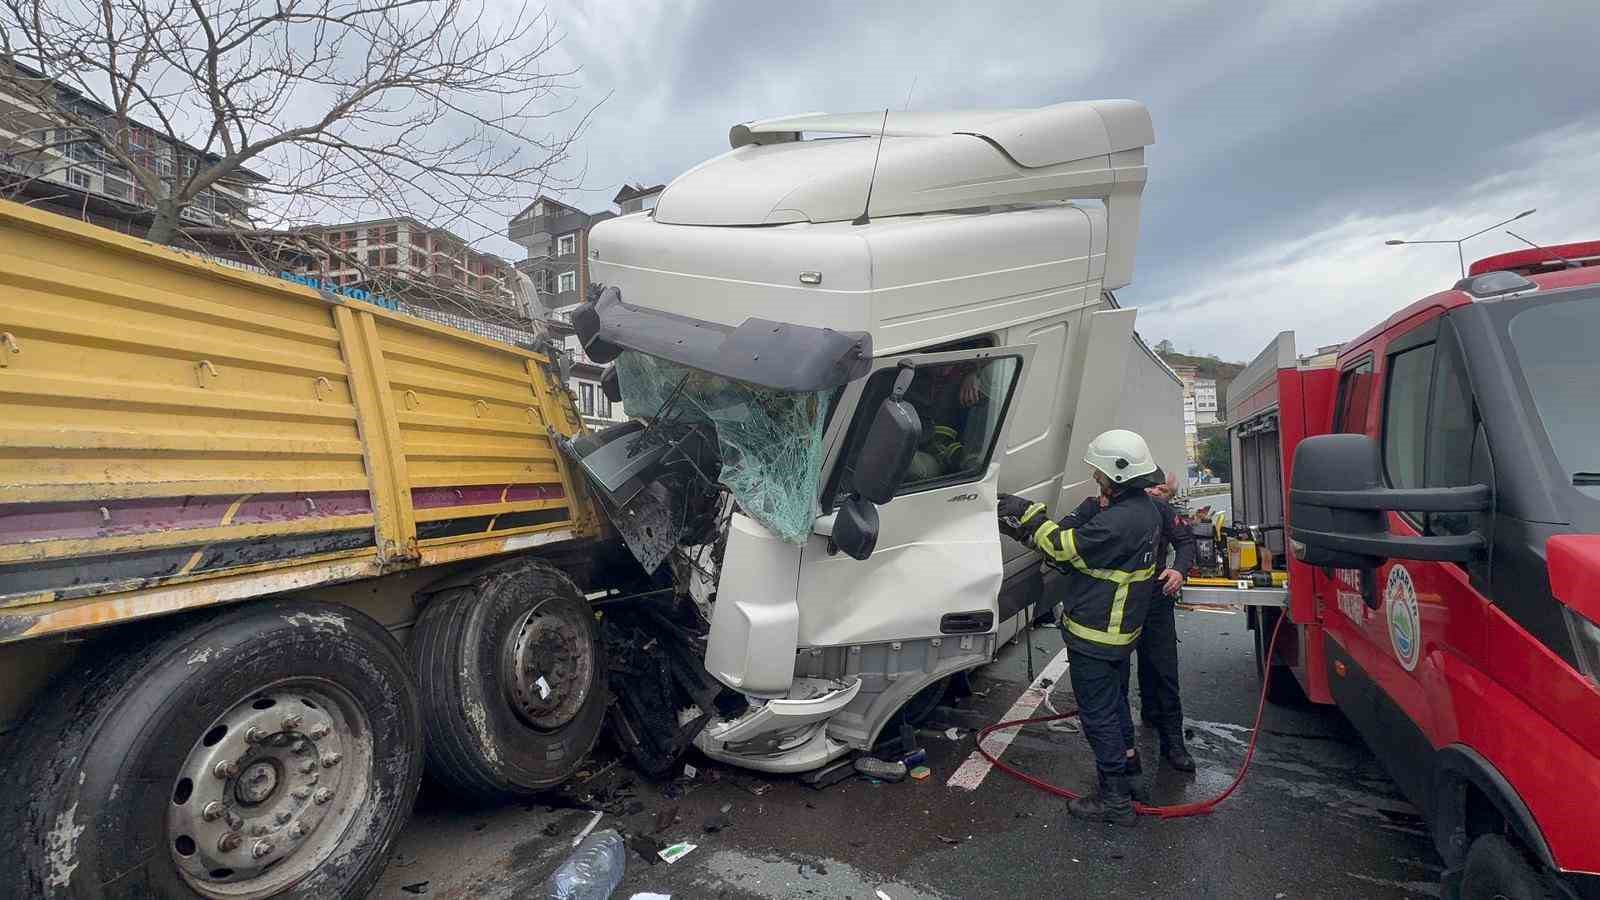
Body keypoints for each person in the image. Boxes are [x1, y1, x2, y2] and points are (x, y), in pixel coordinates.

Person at [998, 429, 1165, 826]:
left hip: (1096, 635)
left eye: (1099, 474)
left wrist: (1026, 515)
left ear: (1119, 476)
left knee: (1098, 716)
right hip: (1119, 635)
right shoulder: (1145, 512)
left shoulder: (1118, 522)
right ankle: (1132, 778)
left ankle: (1115, 803)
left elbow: (1060, 547)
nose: (1095, 479)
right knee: (1116, 707)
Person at [1135, 469, 1198, 772]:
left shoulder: (1162, 510)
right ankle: (1123, 741)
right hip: (1115, 604)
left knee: (1162, 668)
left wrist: (1179, 570)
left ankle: (1173, 742)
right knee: (1115, 674)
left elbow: (1186, 543)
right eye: (1150, 487)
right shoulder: (1102, 506)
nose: (1153, 493)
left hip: (1154, 598)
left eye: (1161, 489)